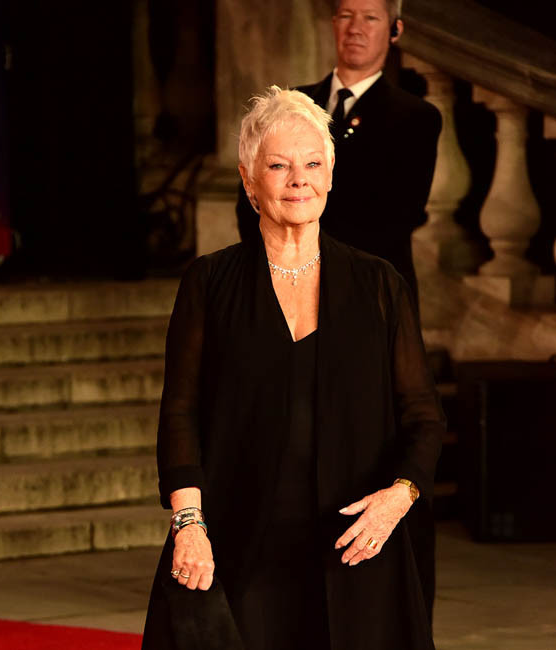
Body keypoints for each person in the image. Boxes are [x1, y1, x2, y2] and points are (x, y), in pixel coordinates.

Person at [142, 86, 444, 650]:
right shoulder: (209, 284)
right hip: (239, 545)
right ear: (249, 180)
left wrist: (399, 497)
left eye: (312, 164)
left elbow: (424, 415)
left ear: (330, 176)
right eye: (278, 165)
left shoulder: (380, 285)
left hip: (357, 549)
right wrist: (189, 524)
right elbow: (179, 412)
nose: (298, 180)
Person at [236, 0, 442, 303]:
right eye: (346, 15)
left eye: (370, 18)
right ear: (334, 24)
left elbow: (398, 218)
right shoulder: (288, 103)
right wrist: (279, 269)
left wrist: (312, 261)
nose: (355, 28)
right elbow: (251, 197)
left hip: (371, 291)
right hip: (281, 283)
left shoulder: (417, 117)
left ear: (395, 30)